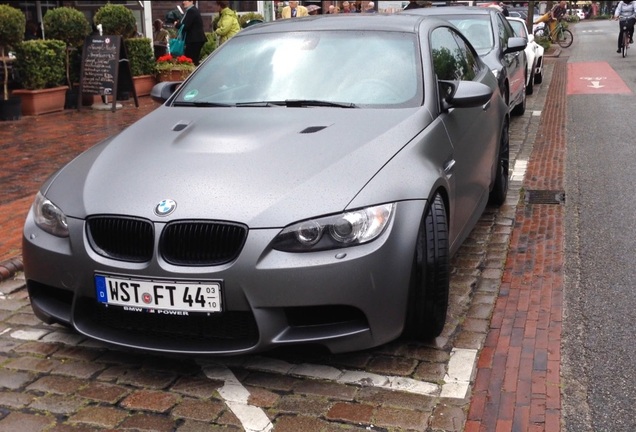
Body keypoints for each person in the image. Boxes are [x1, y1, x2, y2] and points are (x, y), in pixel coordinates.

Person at [174, 0, 206, 65]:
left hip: (194, 40)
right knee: (193, 59)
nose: (183, 2)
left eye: (186, 0)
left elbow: (185, 26)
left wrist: (176, 24)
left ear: (191, 1)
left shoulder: (191, 11)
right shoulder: (192, 10)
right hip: (196, 39)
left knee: (190, 60)